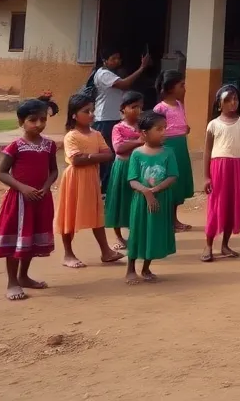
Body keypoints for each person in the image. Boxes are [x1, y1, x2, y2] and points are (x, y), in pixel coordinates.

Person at [0, 96, 59, 301]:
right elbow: (2, 173)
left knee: (31, 238)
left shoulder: (49, 145)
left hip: (40, 199)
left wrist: (46, 188)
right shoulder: (16, 146)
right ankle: (12, 281)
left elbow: (53, 171)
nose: (38, 124)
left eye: (42, 119)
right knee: (16, 240)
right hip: (19, 201)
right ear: (21, 122)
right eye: (32, 120)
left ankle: (24, 276)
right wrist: (23, 188)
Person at [55, 94, 120, 268]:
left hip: (91, 178)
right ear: (74, 115)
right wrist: (94, 157)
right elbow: (76, 160)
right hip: (74, 179)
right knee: (70, 215)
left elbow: (109, 155)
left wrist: (89, 157)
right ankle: (68, 254)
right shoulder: (71, 136)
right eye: (86, 111)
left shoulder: (96, 134)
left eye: (93, 110)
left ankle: (106, 251)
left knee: (97, 214)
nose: (91, 114)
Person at [125, 110, 178, 284]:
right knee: (138, 232)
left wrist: (156, 190)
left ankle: (146, 267)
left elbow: (172, 176)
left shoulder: (168, 152)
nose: (164, 132)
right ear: (144, 133)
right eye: (159, 129)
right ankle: (130, 269)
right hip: (141, 202)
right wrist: (147, 192)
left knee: (153, 232)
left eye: (165, 128)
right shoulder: (137, 154)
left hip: (160, 200)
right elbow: (132, 180)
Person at [90, 47, 150, 193]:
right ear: (105, 60)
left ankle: (110, 187)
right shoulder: (104, 74)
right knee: (108, 155)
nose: (117, 61)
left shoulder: (112, 74)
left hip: (112, 118)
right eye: (113, 58)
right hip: (105, 119)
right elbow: (124, 84)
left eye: (118, 58)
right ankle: (105, 189)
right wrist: (142, 68)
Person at [202, 84, 240, 262]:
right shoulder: (213, 124)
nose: (233, 103)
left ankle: (225, 244)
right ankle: (208, 245)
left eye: (235, 99)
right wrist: (206, 176)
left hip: (237, 167)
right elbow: (207, 151)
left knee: (232, 206)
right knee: (216, 206)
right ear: (219, 104)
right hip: (218, 168)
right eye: (228, 100)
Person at [153, 69, 196, 232]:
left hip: (180, 146)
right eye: (181, 85)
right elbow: (156, 129)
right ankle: (166, 220)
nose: (184, 88)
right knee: (168, 181)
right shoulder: (160, 108)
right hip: (168, 147)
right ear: (171, 88)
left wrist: (185, 128)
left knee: (178, 182)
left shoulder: (179, 104)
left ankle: (174, 219)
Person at [104, 91, 144, 252]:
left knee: (136, 200)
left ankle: (136, 233)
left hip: (140, 167)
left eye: (140, 107)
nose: (137, 111)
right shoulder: (118, 128)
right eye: (133, 107)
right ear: (123, 109)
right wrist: (138, 141)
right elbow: (119, 148)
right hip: (123, 167)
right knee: (119, 200)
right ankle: (118, 236)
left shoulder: (143, 126)